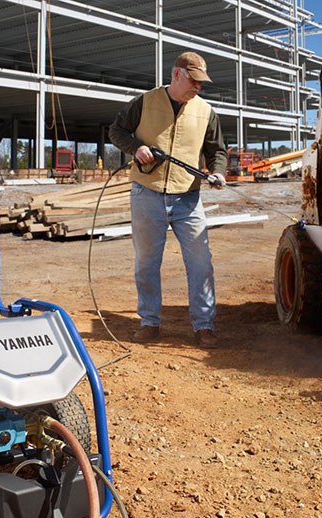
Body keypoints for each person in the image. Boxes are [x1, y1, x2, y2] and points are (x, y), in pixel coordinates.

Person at [109, 51, 227, 349]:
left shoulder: (206, 111)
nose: (198, 87)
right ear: (177, 75)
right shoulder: (144, 102)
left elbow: (218, 151)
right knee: (147, 263)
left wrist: (218, 172)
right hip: (146, 194)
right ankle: (150, 322)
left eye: (201, 83)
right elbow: (116, 131)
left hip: (188, 197)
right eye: (193, 81)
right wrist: (136, 147)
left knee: (201, 263)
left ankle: (204, 326)